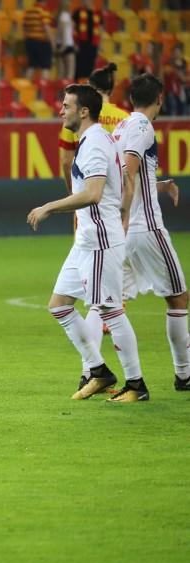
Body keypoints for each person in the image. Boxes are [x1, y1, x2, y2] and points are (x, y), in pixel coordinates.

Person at [27, 83, 147, 402]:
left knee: (110, 310)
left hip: (100, 240)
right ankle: (98, 371)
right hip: (85, 240)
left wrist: (49, 206)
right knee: (59, 305)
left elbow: (93, 193)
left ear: (84, 111)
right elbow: (116, 184)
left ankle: (136, 385)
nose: (61, 110)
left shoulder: (94, 142)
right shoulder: (93, 140)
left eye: (66, 105)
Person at [113, 73, 190, 392]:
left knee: (111, 305)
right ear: (160, 97)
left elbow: (126, 176)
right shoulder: (143, 126)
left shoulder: (120, 127)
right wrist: (126, 217)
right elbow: (128, 172)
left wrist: (158, 184)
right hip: (146, 228)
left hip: (128, 234)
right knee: (178, 298)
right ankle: (184, 375)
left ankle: (96, 370)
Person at [59, 63, 129, 194]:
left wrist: (73, 195)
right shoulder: (126, 118)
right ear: (111, 90)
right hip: (117, 194)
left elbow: (67, 162)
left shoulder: (75, 115)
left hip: (86, 192)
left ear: (88, 87)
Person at [22, 0, 52, 80]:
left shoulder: (29, 11)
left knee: (31, 66)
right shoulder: (44, 11)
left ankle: (26, 88)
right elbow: (46, 28)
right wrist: (52, 43)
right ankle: (44, 89)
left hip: (30, 41)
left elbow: (24, 27)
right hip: (42, 41)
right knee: (45, 67)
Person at [72, 0, 101, 80]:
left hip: (92, 45)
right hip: (81, 44)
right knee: (80, 67)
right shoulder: (78, 12)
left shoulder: (96, 13)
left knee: (90, 67)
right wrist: (75, 43)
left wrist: (100, 44)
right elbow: (73, 28)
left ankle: (86, 87)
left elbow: (99, 30)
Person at [54, 0, 75, 80]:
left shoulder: (59, 15)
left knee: (60, 72)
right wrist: (64, 45)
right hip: (67, 44)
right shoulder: (65, 15)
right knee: (70, 73)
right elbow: (64, 32)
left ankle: (58, 92)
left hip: (59, 43)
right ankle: (67, 92)